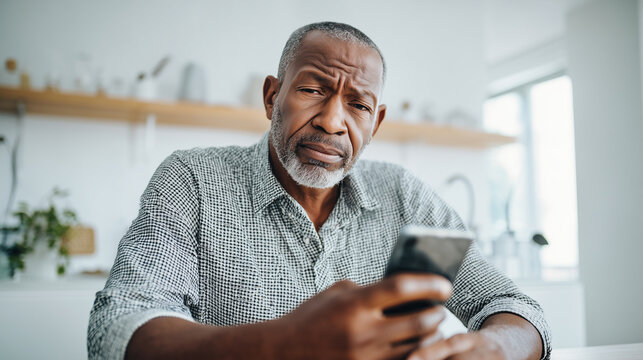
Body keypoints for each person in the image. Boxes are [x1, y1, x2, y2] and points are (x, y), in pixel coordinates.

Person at [88, 22, 551, 360]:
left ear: (376, 122)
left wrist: (495, 348)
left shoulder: (405, 198)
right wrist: (283, 344)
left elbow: (509, 306)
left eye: (358, 105)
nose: (332, 121)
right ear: (272, 97)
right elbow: (116, 330)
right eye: (312, 89)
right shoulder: (194, 180)